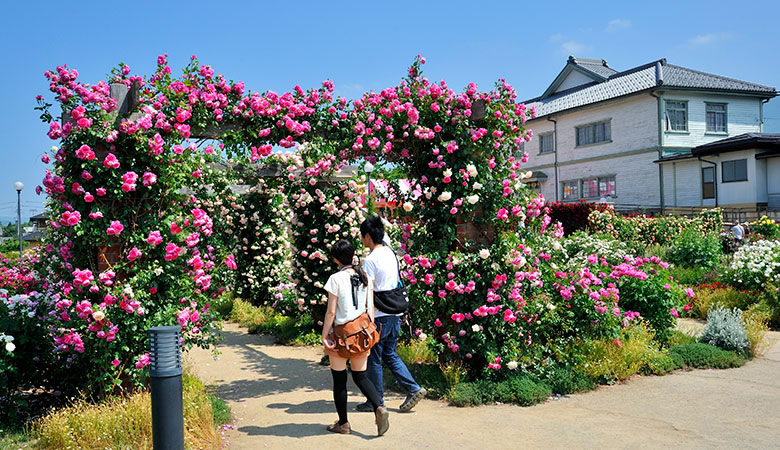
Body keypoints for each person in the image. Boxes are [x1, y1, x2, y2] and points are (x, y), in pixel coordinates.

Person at [356, 216, 426, 413]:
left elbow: (369, 290)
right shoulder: (390, 253)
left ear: (368, 236)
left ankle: (375, 401)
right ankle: (413, 388)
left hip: (379, 315)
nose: (362, 240)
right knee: (390, 353)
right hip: (396, 312)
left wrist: (366, 318)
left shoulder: (370, 260)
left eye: (363, 236)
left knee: (374, 358)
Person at [321, 240, 390, 436]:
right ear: (352, 255)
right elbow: (370, 308)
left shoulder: (336, 278)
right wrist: (370, 329)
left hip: (342, 335)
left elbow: (331, 312)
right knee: (361, 376)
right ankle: (378, 407)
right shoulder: (364, 275)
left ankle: (343, 424)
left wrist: (325, 335)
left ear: (335, 258)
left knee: (340, 379)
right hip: (362, 331)